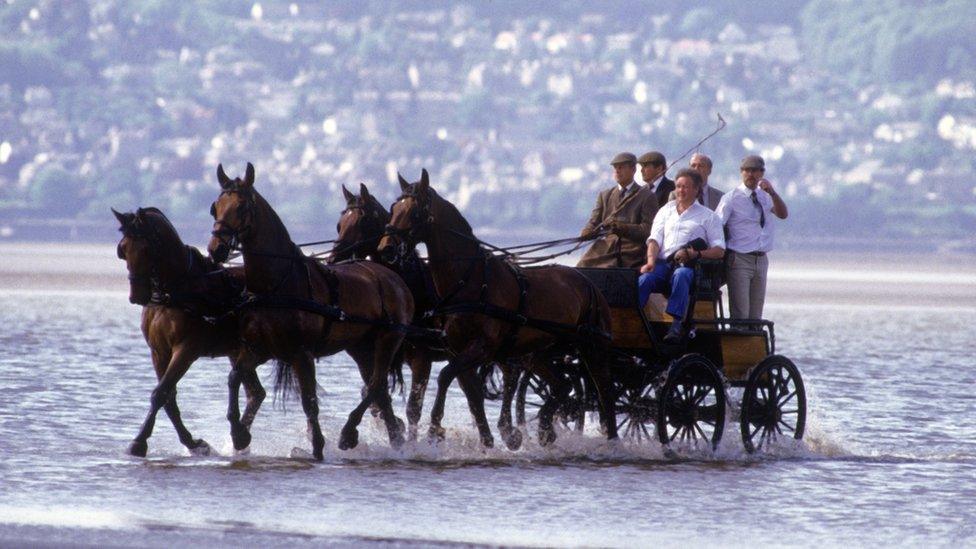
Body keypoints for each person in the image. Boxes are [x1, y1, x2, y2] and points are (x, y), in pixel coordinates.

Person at [639, 168, 725, 343]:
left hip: (691, 268)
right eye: (678, 186)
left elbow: (719, 250)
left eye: (685, 187)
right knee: (644, 279)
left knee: (681, 275)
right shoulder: (665, 211)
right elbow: (654, 240)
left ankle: (676, 325)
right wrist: (650, 261)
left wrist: (695, 253)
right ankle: (635, 321)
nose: (680, 191)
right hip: (663, 264)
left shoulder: (708, 217)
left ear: (696, 190)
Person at [715, 154, 789, 321]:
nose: (751, 174)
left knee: (755, 314)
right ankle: (738, 343)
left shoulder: (765, 196)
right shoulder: (731, 198)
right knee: (741, 312)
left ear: (761, 173)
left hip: (761, 259)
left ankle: (752, 344)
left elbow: (783, 214)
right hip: (740, 258)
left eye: (755, 171)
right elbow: (716, 225)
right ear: (741, 172)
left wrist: (773, 193)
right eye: (747, 170)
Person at [577, 152, 659, 269]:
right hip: (604, 248)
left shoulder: (647, 196)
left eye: (621, 167)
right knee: (580, 269)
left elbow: (648, 230)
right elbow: (593, 221)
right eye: (615, 168)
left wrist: (624, 228)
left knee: (607, 270)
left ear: (633, 169)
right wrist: (587, 231)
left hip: (632, 251)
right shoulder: (605, 195)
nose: (617, 170)